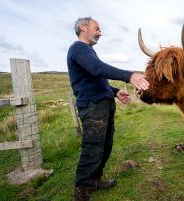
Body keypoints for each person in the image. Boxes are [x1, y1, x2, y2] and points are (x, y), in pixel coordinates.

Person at [67, 17, 149, 201]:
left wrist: (115, 91)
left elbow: (96, 78)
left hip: (102, 104)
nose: (100, 33)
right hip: (93, 107)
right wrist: (129, 76)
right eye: (96, 28)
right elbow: (98, 69)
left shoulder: (88, 51)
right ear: (83, 27)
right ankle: (81, 191)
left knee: (105, 145)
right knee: (93, 147)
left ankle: (94, 180)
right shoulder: (78, 48)